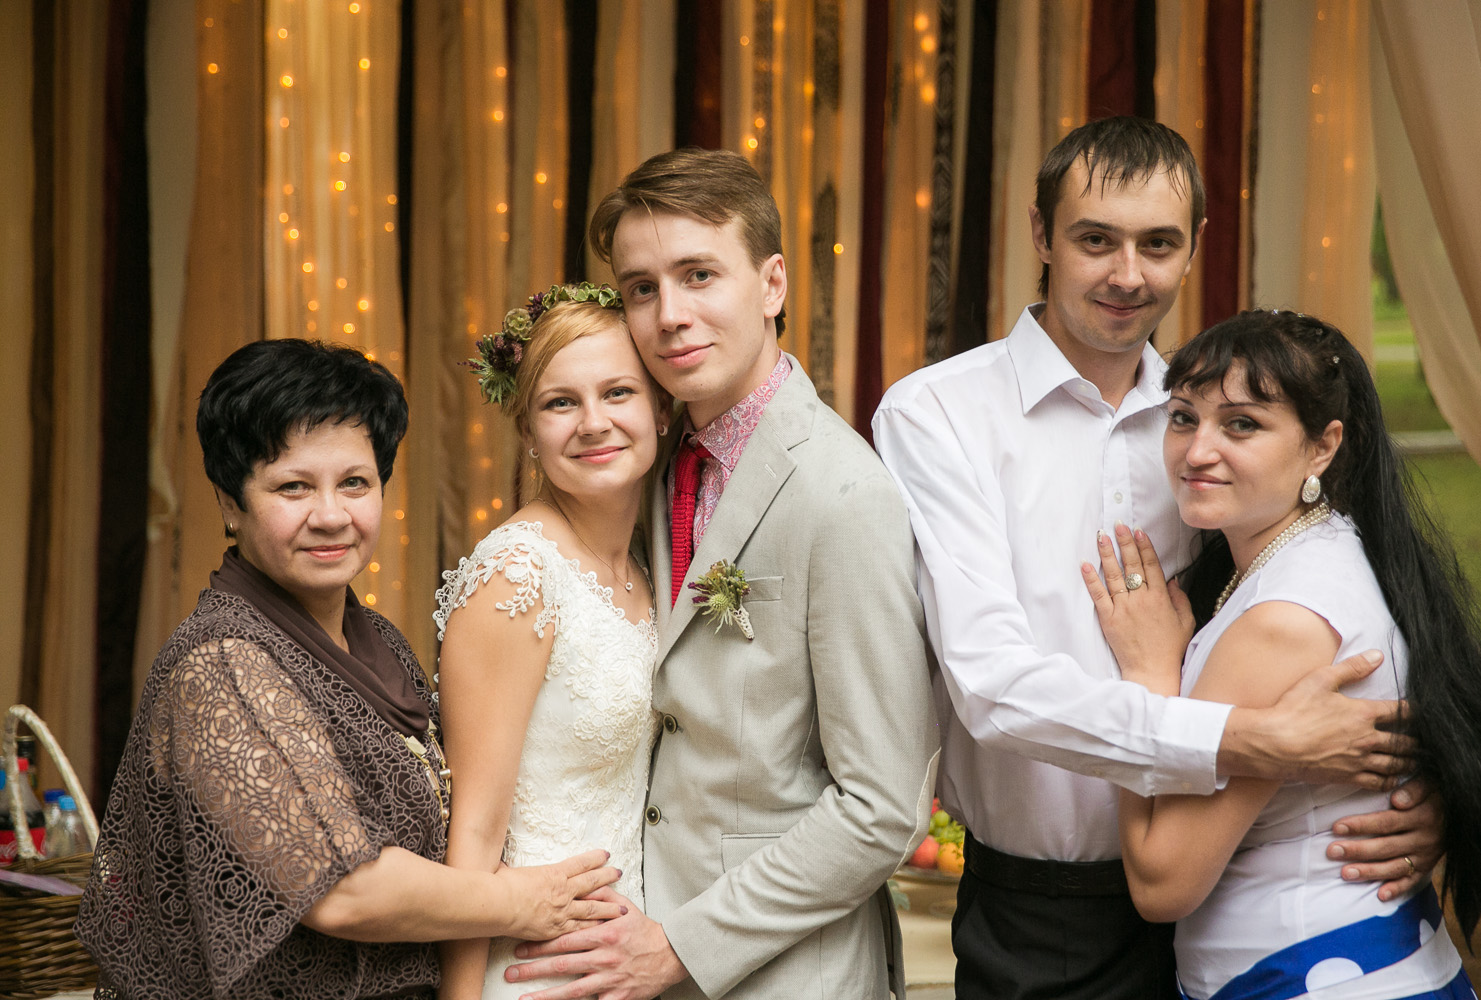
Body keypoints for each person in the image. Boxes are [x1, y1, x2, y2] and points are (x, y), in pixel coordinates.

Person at [871, 117, 1443, 1000]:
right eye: (1096, 240)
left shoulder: (1217, 426)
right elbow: (989, 686)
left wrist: (1418, 791)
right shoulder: (938, 415)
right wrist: (1251, 742)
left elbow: (1369, 616)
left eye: (1158, 244)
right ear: (1041, 235)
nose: (1128, 275)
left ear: (1194, 246)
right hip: (1038, 911)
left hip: (1224, 891)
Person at [503, 148, 939, 1000]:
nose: (670, 315)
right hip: (631, 946)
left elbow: (883, 808)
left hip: (790, 975)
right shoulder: (648, 462)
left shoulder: (842, 494)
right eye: (642, 288)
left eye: (699, 275)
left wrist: (683, 944)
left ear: (772, 285)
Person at [76, 339, 621, 1000]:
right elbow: (342, 891)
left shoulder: (378, 640)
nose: (331, 516)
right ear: (229, 503)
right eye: (293, 487)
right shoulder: (221, 664)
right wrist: (521, 904)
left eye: (355, 483)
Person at [1085, 309, 1481, 1000]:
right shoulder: (1333, 546)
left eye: (1242, 425)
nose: (1197, 451)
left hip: (1305, 974)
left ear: (1322, 447)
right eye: (1183, 417)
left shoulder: (1284, 622)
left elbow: (1162, 882)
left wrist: (1147, 677)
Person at [434, 285, 665, 1000]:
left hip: (626, 961)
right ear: (529, 432)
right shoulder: (518, 574)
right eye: (561, 403)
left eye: (618, 392)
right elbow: (472, 835)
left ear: (660, 409)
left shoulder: (648, 566)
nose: (594, 423)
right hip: (532, 972)